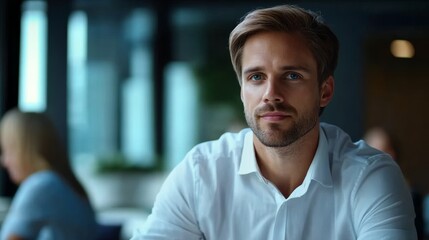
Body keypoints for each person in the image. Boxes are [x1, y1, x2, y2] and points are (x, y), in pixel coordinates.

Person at [132, 4, 417, 239]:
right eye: (256, 77)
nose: (271, 95)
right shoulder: (200, 175)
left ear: (325, 91)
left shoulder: (369, 177)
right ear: (243, 91)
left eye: (292, 76)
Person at [0, 109, 97, 240]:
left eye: (8, 150)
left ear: (24, 151)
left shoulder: (41, 185)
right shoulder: (64, 184)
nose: (4, 161)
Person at [364, 127, 425, 239]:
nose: (389, 155)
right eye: (381, 151)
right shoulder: (358, 197)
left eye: (390, 149)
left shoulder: (413, 194)